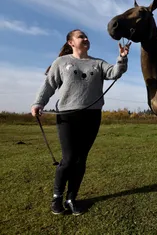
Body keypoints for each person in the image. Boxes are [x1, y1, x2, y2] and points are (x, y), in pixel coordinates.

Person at [31, 29, 131, 215]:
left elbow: (116, 73)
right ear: (71, 43)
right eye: (80, 36)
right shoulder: (61, 62)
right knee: (68, 159)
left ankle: (71, 198)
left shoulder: (98, 63)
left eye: (86, 36)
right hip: (67, 116)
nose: (85, 38)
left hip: (92, 117)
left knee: (81, 160)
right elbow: (49, 84)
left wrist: (122, 58)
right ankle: (57, 198)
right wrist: (38, 102)